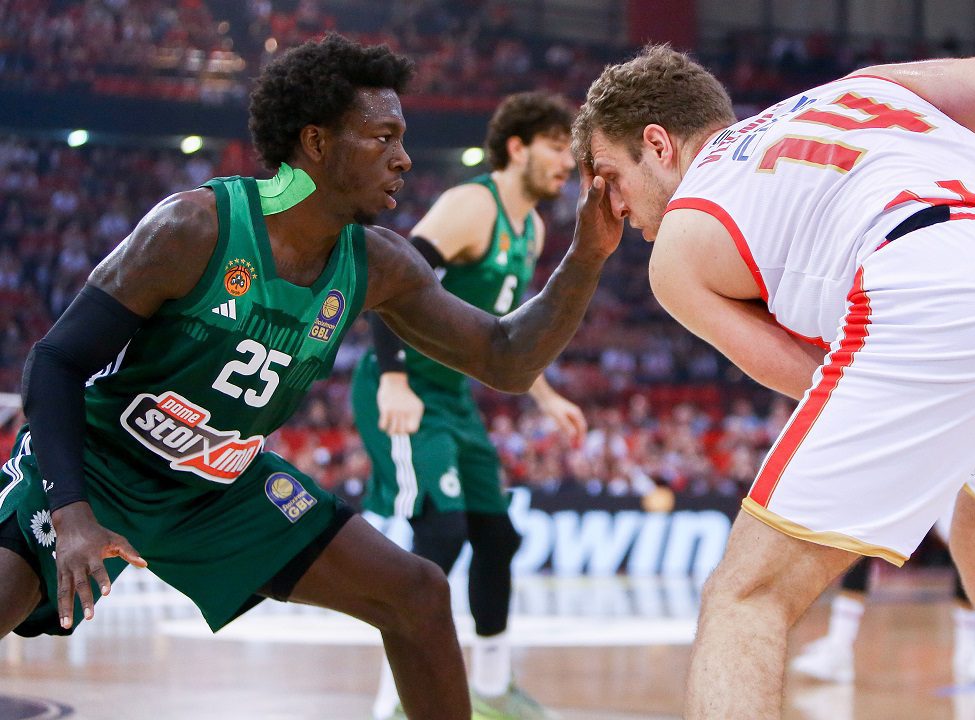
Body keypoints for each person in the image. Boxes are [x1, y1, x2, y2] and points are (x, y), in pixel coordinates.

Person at [0, 35, 621, 720]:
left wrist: (587, 254)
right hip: (101, 468)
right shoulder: (195, 227)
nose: (404, 158)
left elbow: (507, 359)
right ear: (317, 142)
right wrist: (72, 512)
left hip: (219, 486)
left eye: (402, 138)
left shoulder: (379, 263)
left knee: (416, 593)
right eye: (383, 137)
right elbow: (55, 362)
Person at [572, 45, 975, 719]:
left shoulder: (678, 249)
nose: (612, 208)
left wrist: (965, 401)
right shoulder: (857, 90)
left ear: (658, 145)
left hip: (934, 276)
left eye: (610, 179)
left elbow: (818, 377)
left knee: (746, 595)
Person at [351, 91, 586, 720]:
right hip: (403, 387)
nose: (569, 163)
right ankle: (394, 699)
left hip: (453, 395)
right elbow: (387, 279)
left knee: (497, 536)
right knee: (442, 531)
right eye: (557, 147)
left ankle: (493, 686)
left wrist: (545, 395)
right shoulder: (472, 205)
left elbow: (504, 333)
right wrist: (393, 378)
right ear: (517, 147)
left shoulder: (532, 230)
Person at [790, 508, 975, 684]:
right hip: (911, 472)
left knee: (969, 543)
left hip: (954, 473)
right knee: (864, 533)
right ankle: (839, 647)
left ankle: (969, 651)